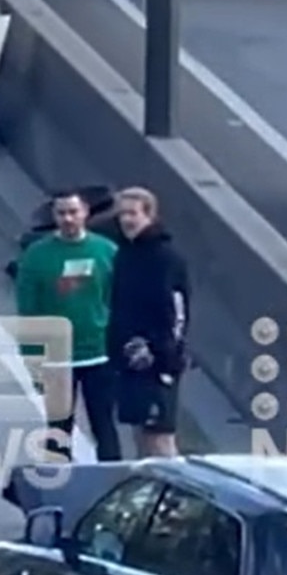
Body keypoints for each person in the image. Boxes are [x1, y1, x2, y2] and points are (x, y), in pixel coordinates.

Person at [15, 189, 122, 462]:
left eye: (73, 212)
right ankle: (59, 485)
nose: (68, 219)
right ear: (54, 216)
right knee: (58, 430)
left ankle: (113, 482)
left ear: (85, 213)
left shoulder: (107, 251)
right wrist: (33, 359)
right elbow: (28, 312)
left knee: (105, 427)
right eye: (62, 213)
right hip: (57, 358)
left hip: (99, 354)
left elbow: (118, 300)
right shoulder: (37, 256)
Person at [107, 187, 191, 458]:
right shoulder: (125, 254)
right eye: (122, 214)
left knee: (160, 439)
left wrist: (162, 355)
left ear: (150, 215)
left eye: (133, 213)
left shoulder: (166, 257)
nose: (126, 220)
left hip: (157, 363)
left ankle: (176, 495)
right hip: (128, 361)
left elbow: (177, 313)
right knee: (140, 435)